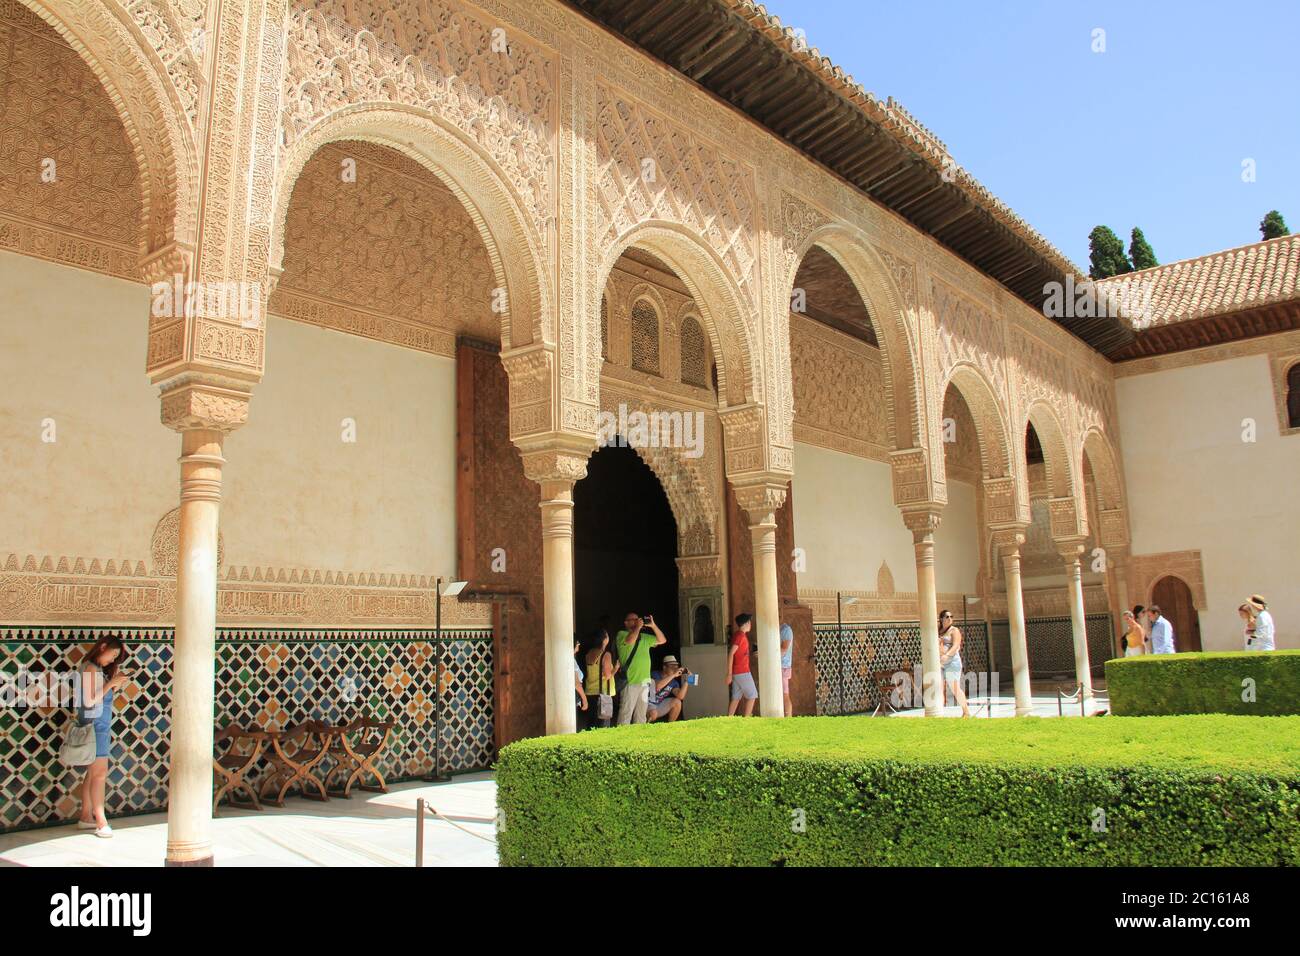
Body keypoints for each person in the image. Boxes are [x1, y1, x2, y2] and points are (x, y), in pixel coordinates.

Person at [76, 635, 129, 839]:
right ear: (103, 647)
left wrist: (114, 684)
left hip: (99, 726)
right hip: (95, 727)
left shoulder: (96, 670)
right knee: (99, 774)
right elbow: (90, 700)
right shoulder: (90, 668)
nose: (112, 660)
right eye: (113, 654)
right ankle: (101, 822)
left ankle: (86, 817)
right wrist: (111, 683)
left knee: (92, 774)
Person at [615, 612, 666, 725]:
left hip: (644, 681)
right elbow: (630, 640)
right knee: (625, 714)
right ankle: (621, 740)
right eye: (632, 619)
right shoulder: (621, 634)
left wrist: (653, 625)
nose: (636, 621)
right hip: (630, 681)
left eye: (637, 619)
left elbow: (662, 640)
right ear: (626, 623)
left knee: (641, 715)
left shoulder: (644, 637)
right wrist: (638, 627)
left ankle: (638, 739)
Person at [580, 627, 616, 729]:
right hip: (603, 694)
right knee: (603, 725)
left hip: (590, 692)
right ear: (604, 639)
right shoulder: (606, 654)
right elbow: (608, 675)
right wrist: (616, 668)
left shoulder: (589, 653)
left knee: (591, 724)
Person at [937, 610, 970, 717]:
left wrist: (947, 656)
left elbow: (956, 645)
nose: (950, 618)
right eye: (947, 617)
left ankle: (966, 711)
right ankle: (939, 712)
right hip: (939, 663)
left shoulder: (954, 630)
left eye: (951, 616)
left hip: (952, 662)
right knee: (939, 687)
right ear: (941, 619)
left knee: (954, 687)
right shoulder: (939, 631)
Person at [726, 613, 758, 716]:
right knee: (752, 695)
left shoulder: (738, 635)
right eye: (749, 622)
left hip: (738, 672)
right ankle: (746, 720)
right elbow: (731, 653)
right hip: (742, 671)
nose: (750, 624)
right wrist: (729, 674)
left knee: (736, 697)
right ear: (746, 623)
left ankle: (728, 720)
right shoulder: (740, 636)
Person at [647, 655, 689, 722]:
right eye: (672, 666)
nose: (674, 668)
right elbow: (658, 686)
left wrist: (687, 681)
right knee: (653, 713)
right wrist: (674, 675)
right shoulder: (655, 674)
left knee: (677, 702)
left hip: (658, 704)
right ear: (664, 667)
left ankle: (670, 727)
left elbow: (680, 696)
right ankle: (644, 729)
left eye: (676, 666)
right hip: (647, 704)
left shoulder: (674, 682)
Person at [779, 620, 795, 717]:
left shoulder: (786, 630)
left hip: (783, 666)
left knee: (785, 695)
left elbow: (784, 649)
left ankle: (788, 720)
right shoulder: (779, 629)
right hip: (779, 666)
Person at [573, 638, 588, 727]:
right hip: (573, 694)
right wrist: (584, 699)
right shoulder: (571, 660)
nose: (579, 644)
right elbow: (576, 683)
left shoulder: (572, 659)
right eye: (577, 642)